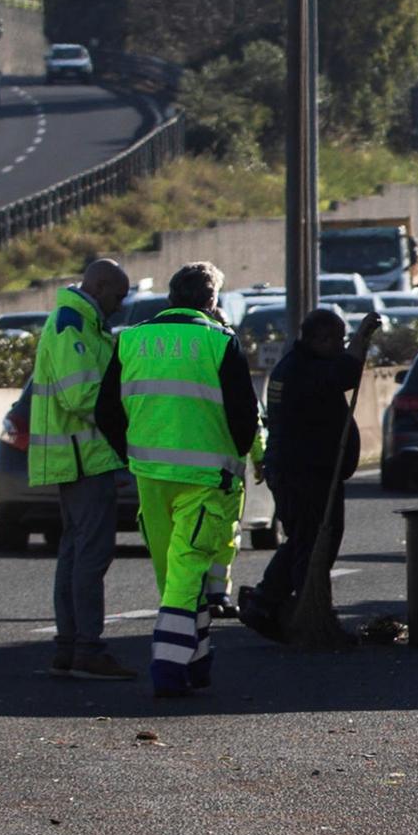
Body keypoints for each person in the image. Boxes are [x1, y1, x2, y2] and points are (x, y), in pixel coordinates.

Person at [96, 262, 258, 699]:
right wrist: (237, 455)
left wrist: (129, 452)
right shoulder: (218, 341)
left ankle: (197, 661)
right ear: (211, 302)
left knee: (174, 575)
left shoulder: (131, 340)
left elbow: (106, 411)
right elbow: (244, 414)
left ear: (171, 298)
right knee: (188, 572)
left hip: (149, 475)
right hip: (204, 476)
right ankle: (168, 669)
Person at [239, 306, 380, 642]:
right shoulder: (302, 369)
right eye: (337, 339)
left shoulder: (303, 364)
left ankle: (267, 601)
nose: (340, 345)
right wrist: (361, 340)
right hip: (303, 472)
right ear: (319, 338)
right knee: (314, 543)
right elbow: (344, 375)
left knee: (304, 541)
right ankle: (307, 611)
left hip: (306, 470)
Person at [29, 258, 136, 681]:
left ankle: (70, 646)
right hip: (82, 456)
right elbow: (81, 396)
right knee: (89, 555)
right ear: (100, 285)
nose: (120, 305)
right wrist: (128, 415)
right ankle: (87, 647)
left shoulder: (83, 322)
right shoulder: (72, 323)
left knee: (75, 554)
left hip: (79, 456)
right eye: (118, 296)